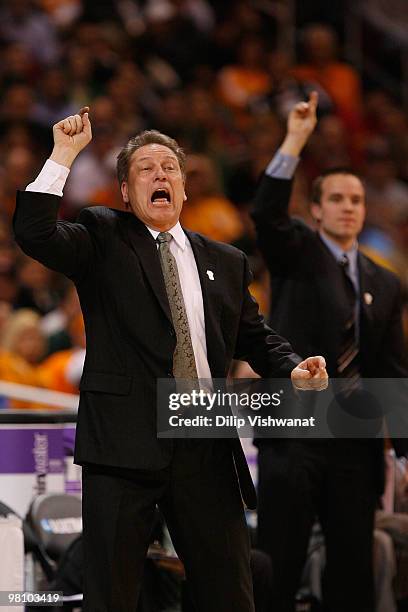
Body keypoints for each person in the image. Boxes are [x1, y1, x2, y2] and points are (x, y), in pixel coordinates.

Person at [13, 107, 327, 612]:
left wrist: (291, 366)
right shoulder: (102, 235)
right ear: (124, 192)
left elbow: (254, 336)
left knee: (230, 592)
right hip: (123, 443)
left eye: (170, 168)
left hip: (204, 437)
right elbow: (34, 234)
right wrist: (63, 155)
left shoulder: (225, 260)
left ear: (183, 188)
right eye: (145, 168)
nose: (160, 175)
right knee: (111, 595)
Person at [251, 92, 408, 611]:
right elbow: (267, 211)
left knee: (353, 569)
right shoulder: (297, 250)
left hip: (354, 441)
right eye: (337, 199)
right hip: (294, 431)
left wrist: (403, 451)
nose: (348, 208)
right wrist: (295, 139)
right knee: (279, 559)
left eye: (356, 200)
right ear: (316, 209)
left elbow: (391, 368)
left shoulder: (385, 283)